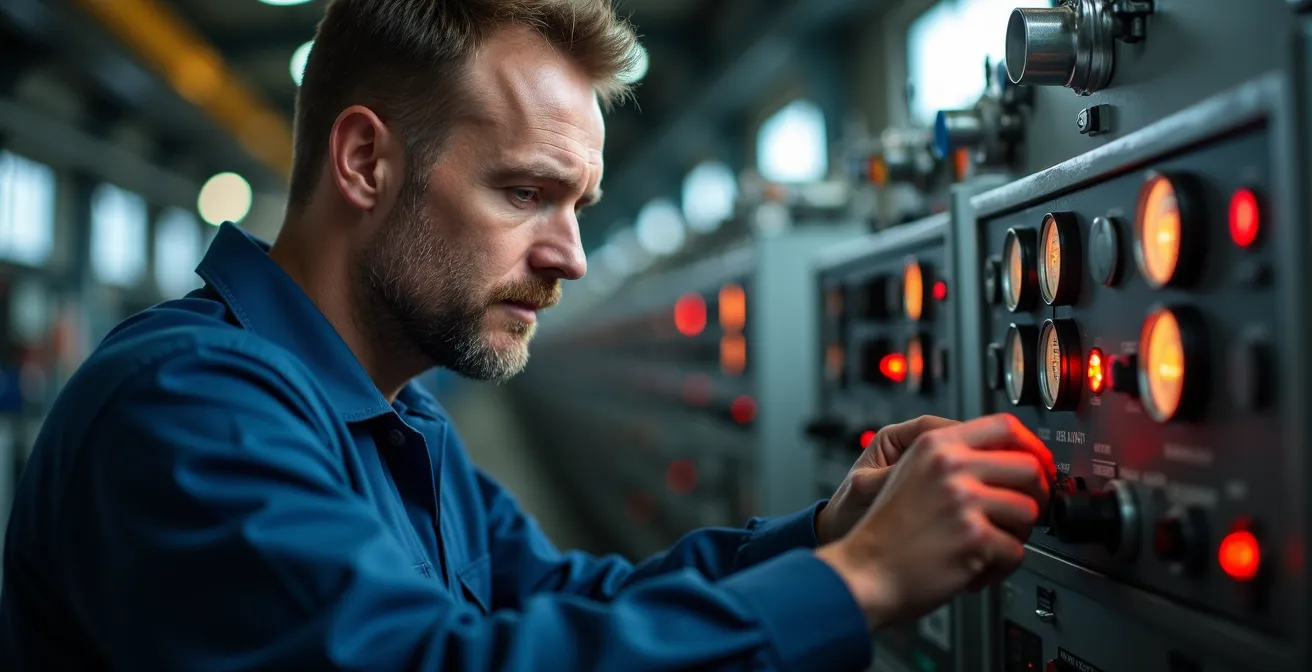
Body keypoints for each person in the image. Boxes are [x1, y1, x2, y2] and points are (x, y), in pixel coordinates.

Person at [0, 1, 1056, 669]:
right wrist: (861, 582)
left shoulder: (400, 424)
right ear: (365, 163)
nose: (572, 256)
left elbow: (562, 600)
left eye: (580, 205)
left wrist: (823, 536)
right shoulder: (187, 406)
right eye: (525, 193)